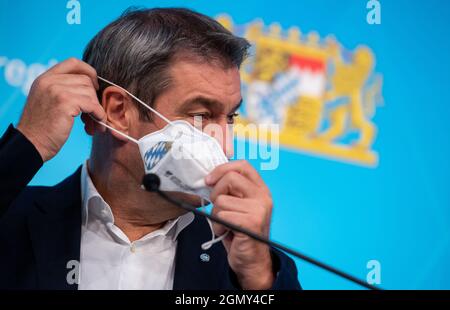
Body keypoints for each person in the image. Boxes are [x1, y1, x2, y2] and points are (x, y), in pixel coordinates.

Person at [0, 7, 300, 290]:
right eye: (200, 116)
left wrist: (258, 279)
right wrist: (28, 145)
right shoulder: (12, 220)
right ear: (119, 112)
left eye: (230, 117)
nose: (226, 145)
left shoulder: (250, 268)